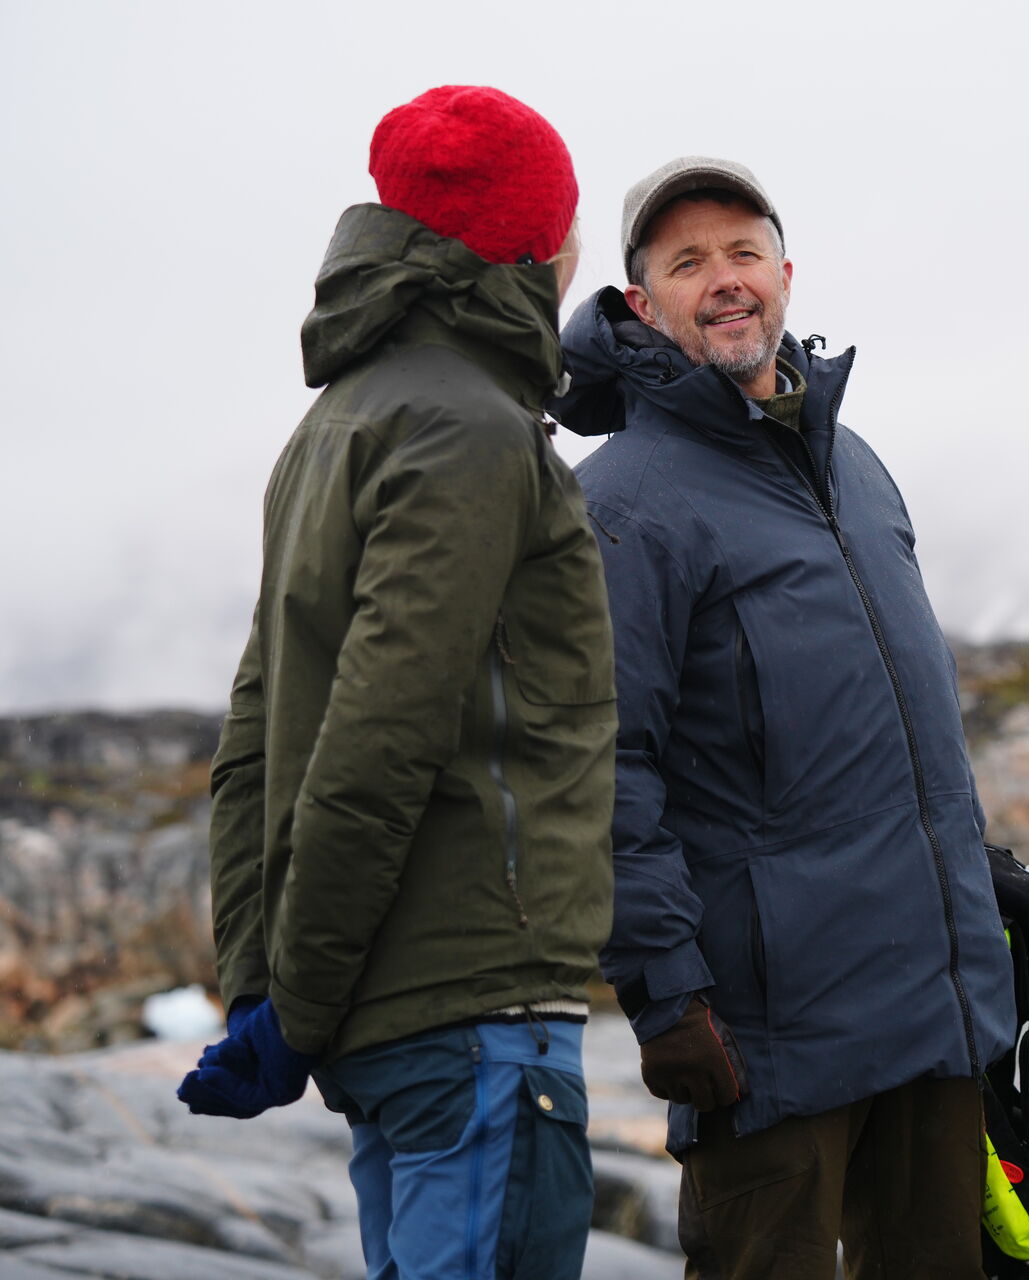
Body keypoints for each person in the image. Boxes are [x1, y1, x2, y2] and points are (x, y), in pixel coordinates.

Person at [177, 86, 616, 1280]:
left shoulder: (335, 424)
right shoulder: (472, 431)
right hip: (476, 1007)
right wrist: (296, 1004)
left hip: (393, 1024)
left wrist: (267, 989)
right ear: (534, 250)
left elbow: (254, 733)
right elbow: (383, 735)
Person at [551, 156, 1015, 1279]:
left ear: (786, 274)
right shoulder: (622, 501)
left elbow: (908, 731)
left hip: (932, 1013)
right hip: (766, 1043)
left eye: (744, 252)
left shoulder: (857, 465)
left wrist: (984, 908)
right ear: (641, 303)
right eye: (688, 262)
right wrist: (665, 997)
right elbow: (602, 768)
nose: (725, 279)